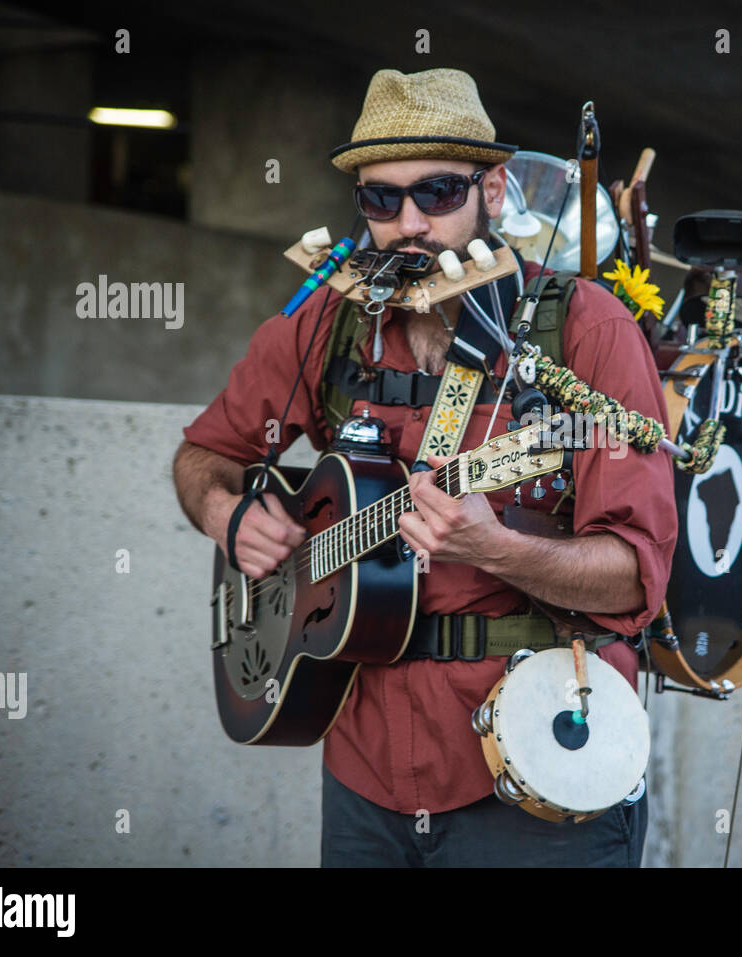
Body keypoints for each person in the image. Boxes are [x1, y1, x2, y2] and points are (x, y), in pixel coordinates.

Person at [172, 68, 677, 866]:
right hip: (365, 769)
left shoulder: (587, 333)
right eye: (381, 200)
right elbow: (206, 454)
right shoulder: (323, 328)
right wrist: (226, 515)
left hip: (532, 772)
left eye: (438, 192)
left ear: (496, 190)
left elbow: (635, 579)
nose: (409, 223)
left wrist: (496, 548)